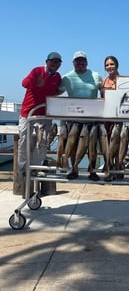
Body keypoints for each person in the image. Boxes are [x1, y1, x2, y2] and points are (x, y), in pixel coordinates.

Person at [17, 52, 62, 193]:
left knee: (42, 143)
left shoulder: (58, 77)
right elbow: (24, 83)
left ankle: (37, 168)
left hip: (44, 115)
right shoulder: (37, 71)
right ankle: (23, 169)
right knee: (24, 141)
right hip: (28, 113)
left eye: (57, 63)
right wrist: (35, 82)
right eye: (52, 62)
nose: (54, 64)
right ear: (46, 62)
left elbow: (55, 92)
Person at [59, 51, 103, 180]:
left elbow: (104, 91)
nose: (80, 63)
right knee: (73, 147)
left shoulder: (95, 75)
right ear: (73, 63)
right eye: (77, 61)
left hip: (92, 120)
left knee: (92, 149)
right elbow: (56, 92)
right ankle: (74, 169)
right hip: (74, 120)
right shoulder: (67, 77)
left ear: (87, 62)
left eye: (82, 60)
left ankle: (92, 171)